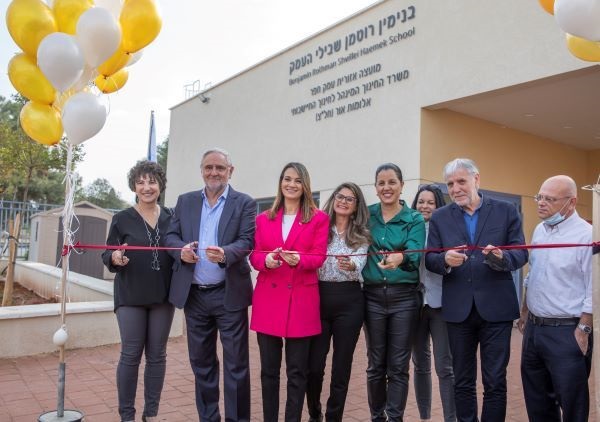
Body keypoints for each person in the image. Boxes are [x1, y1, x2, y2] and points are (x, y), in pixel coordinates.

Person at [425, 158, 528, 422]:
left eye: (461, 181)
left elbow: (520, 253)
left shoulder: (506, 211)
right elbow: (430, 259)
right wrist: (444, 261)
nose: (456, 188)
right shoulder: (439, 217)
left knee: (495, 381)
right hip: (458, 311)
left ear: (476, 179)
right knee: (463, 381)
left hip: (497, 310)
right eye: (450, 184)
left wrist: (502, 258)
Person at [165, 148, 256, 422]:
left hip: (229, 295)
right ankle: (209, 418)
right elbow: (170, 235)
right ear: (201, 170)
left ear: (231, 171)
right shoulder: (185, 201)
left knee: (236, 365)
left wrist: (226, 253)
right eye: (208, 167)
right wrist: (180, 249)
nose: (214, 172)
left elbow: (247, 240)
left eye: (220, 167)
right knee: (202, 364)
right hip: (195, 296)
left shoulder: (245, 203)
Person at [249, 162, 329, 422]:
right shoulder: (263, 218)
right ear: (280, 182)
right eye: (287, 179)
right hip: (269, 300)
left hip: (301, 301)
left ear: (305, 185)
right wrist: (265, 261)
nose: (291, 184)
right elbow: (256, 254)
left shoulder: (318, 218)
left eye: (297, 180)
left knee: (297, 372)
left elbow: (318, 256)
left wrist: (300, 260)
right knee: (269, 372)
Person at [102, 160, 175, 422]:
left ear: (160, 185)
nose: (147, 187)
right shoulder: (121, 218)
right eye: (141, 182)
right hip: (131, 295)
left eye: (152, 181)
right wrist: (115, 258)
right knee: (131, 354)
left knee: (157, 356)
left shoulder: (171, 216)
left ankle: (151, 414)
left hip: (163, 296)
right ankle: (127, 416)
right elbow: (108, 253)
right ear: (134, 186)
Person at [517, 175, 593, 422]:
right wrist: (526, 311)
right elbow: (533, 275)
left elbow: (595, 288)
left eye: (549, 199)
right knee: (538, 403)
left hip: (567, 333)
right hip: (535, 331)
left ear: (571, 203)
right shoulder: (541, 229)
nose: (541, 203)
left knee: (572, 404)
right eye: (539, 196)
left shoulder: (587, 235)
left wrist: (583, 329)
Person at [361, 163, 425, 422]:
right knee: (376, 365)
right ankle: (378, 417)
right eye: (381, 183)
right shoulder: (366, 215)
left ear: (402, 185)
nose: (386, 188)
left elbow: (414, 249)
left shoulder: (414, 218)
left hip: (404, 299)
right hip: (372, 297)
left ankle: (394, 417)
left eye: (391, 182)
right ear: (375, 188)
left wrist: (401, 257)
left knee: (398, 366)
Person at [306, 182, 371, 422]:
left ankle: (334, 417)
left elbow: (360, 263)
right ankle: (315, 414)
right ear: (333, 200)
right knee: (313, 367)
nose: (343, 201)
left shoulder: (361, 234)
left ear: (355, 207)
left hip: (350, 302)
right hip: (318, 299)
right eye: (339, 197)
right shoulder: (319, 228)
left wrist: (351, 265)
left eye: (349, 199)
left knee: (341, 370)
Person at [410, 184, 456, 422]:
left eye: (430, 202)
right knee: (420, 364)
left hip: (440, 304)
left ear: (438, 205)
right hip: (415, 304)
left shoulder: (446, 229)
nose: (425, 206)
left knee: (445, 366)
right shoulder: (408, 227)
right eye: (421, 201)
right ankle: (424, 416)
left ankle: (451, 417)